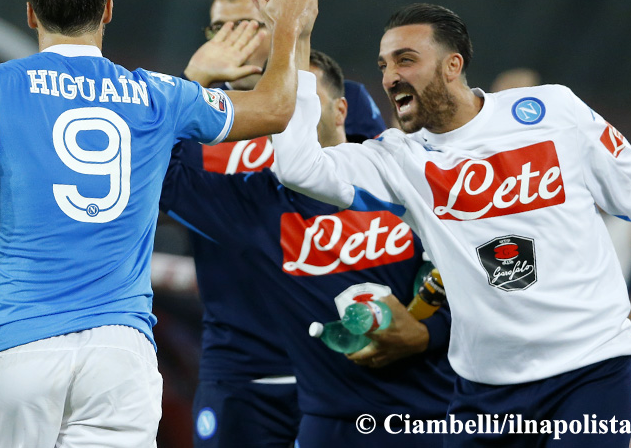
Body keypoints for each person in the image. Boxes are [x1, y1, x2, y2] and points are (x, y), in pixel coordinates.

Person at [0, 0, 324, 447]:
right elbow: (277, 108)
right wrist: (287, 29)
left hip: (18, 347)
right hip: (119, 359)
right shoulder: (159, 93)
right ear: (107, 10)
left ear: (31, 14)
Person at [271, 2, 631, 446]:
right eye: (384, 65)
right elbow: (296, 167)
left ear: (453, 65)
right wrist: (293, 40)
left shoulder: (553, 111)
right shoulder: (397, 159)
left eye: (405, 59)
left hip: (589, 371)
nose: (390, 77)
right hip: (483, 390)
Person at [162, 49, 455, 448]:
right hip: (331, 422)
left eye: (304, 96)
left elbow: (484, 285)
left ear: (340, 111)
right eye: (283, 98)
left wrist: (426, 333)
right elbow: (160, 171)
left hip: (434, 417)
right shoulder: (257, 206)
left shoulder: (407, 178)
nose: (291, 109)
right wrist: (192, 78)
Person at [167, 0, 387, 447]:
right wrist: (193, 85)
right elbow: (160, 183)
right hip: (242, 364)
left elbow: (376, 205)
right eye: (218, 29)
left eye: (248, 24)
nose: (232, 40)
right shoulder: (197, 118)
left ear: (275, 21)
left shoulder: (334, 102)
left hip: (340, 359)